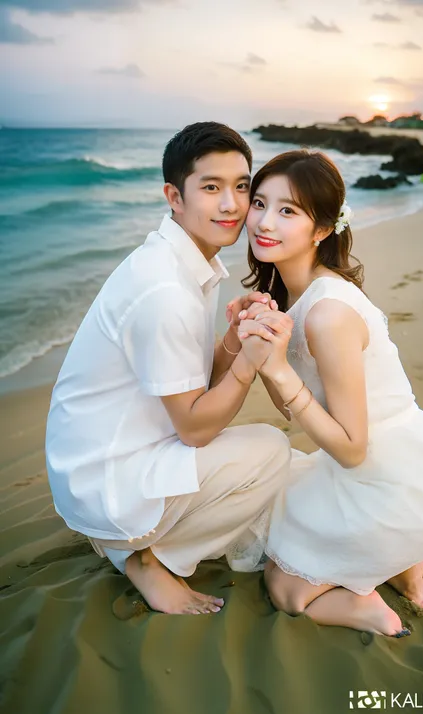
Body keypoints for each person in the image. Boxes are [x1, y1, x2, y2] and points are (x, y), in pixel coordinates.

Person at [45, 122, 291, 615]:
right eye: (211, 188)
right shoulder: (165, 289)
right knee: (272, 450)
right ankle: (148, 558)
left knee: (277, 476)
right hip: (106, 480)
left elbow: (193, 386)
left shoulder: (184, 262)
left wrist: (227, 342)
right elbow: (196, 428)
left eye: (242, 187)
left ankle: (135, 540)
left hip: (105, 461)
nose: (232, 205)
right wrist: (248, 359)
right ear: (173, 197)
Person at [233, 149, 423, 636]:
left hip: (400, 480)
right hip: (361, 468)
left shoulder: (328, 313)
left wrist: (278, 370)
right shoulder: (292, 297)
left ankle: (375, 603)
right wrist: (261, 355)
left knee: (285, 590)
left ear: (321, 231)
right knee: (273, 519)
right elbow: (296, 408)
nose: (263, 222)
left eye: (288, 210)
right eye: (259, 203)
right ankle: (397, 565)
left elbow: (353, 449)